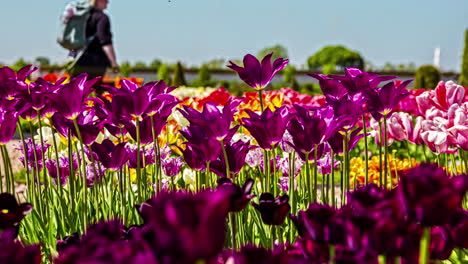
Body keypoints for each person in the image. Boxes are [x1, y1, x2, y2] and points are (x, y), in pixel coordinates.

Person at [69, 0, 118, 89]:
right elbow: (105, 41)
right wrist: (114, 63)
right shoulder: (102, 17)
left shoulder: (81, 17)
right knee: (99, 91)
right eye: (105, 0)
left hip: (78, 60)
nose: (108, 2)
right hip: (96, 62)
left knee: (76, 90)